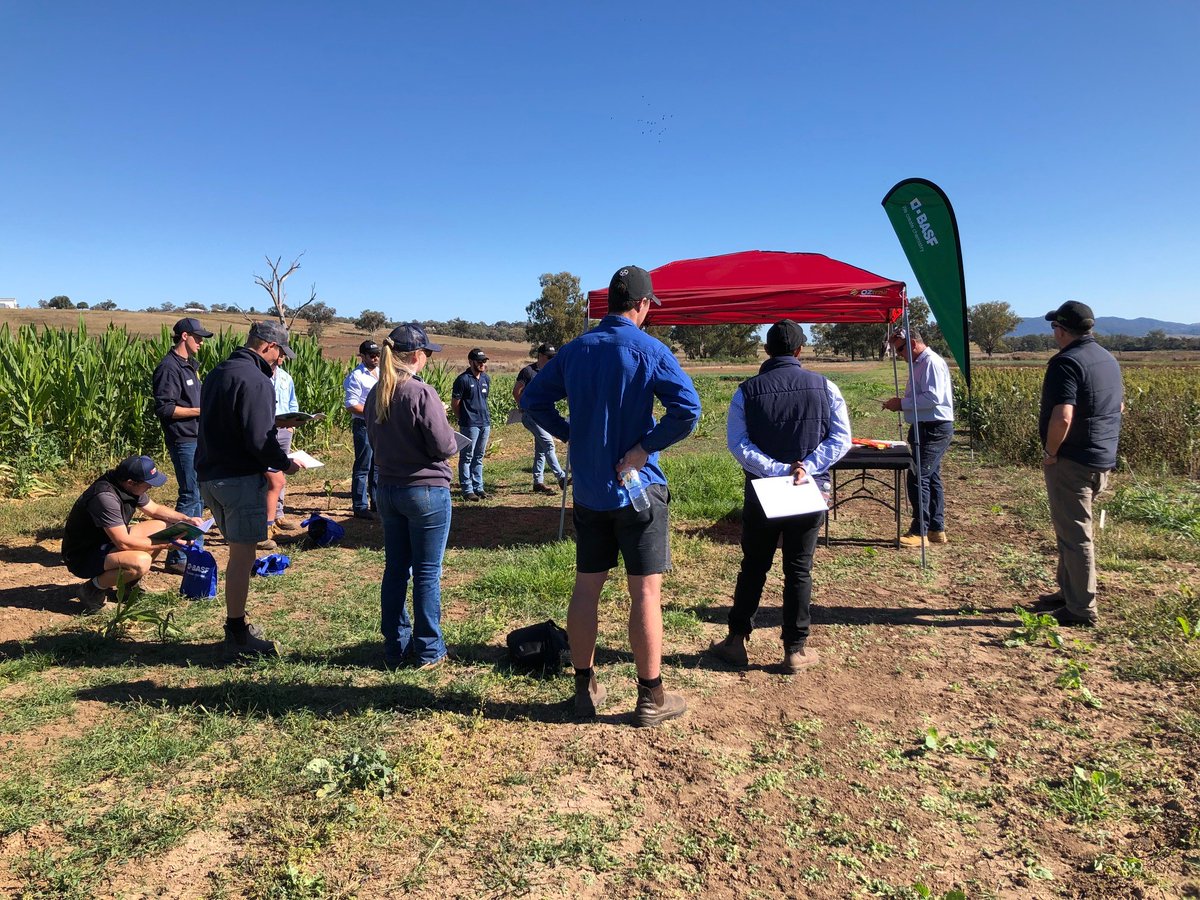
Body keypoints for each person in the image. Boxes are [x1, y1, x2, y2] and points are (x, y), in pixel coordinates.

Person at [521, 265, 701, 727]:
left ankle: (585, 689)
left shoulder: (574, 350)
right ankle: (650, 698)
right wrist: (644, 448)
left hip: (590, 494)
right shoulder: (650, 349)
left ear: (608, 303)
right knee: (645, 592)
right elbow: (688, 411)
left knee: (587, 588)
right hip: (638, 494)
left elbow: (533, 400)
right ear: (642, 305)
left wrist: (571, 435)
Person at [709, 320, 852, 673]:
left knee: (754, 565)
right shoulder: (826, 386)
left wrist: (775, 469)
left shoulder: (746, 391)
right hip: (809, 487)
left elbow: (738, 444)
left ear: (767, 350)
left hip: (762, 491)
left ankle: (736, 641)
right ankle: (794, 649)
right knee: (799, 568)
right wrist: (806, 468)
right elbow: (841, 439)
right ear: (800, 351)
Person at [197, 320, 303, 657]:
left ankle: (237, 626)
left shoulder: (217, 373)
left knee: (237, 552)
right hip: (239, 478)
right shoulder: (257, 380)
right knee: (242, 557)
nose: (280, 361)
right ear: (267, 346)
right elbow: (259, 439)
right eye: (279, 354)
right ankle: (237, 633)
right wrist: (285, 463)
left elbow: (230, 423)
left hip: (210, 476)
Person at [365, 323, 459, 668]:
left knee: (395, 569)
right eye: (427, 353)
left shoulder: (378, 393)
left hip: (388, 488)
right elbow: (445, 445)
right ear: (417, 356)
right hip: (426, 491)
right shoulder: (421, 393)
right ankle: (429, 648)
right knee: (427, 572)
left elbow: (374, 442)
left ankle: (395, 645)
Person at [1030, 301, 1124, 627]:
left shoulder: (1066, 363)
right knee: (1069, 529)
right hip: (1101, 459)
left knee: (1076, 536)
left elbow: (1063, 416)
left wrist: (1051, 452)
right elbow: (1119, 406)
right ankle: (1067, 592)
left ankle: (1081, 609)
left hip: (1072, 460)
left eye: (1054, 328)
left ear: (1061, 329)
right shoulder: (1106, 359)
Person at [61, 456, 205, 611]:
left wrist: (185, 519)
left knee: (163, 527)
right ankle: (91, 590)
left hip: (105, 542)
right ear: (131, 482)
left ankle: (129, 585)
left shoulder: (126, 485)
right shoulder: (105, 497)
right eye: (148, 484)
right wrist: (168, 544)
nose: (150, 487)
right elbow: (123, 543)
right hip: (83, 556)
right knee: (140, 562)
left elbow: (155, 509)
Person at [882, 328, 955, 547]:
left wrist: (901, 404)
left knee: (918, 475)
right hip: (924, 425)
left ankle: (920, 531)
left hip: (934, 427)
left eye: (901, 349)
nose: (900, 355)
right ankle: (936, 528)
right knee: (931, 477)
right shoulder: (919, 363)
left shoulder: (930, 362)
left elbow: (933, 397)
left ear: (913, 343)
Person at [152, 316, 214, 574]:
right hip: (183, 439)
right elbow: (165, 409)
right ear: (184, 336)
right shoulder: (169, 367)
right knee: (190, 494)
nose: (201, 341)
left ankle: (192, 549)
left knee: (198, 493)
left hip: (196, 438)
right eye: (197, 337)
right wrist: (201, 410)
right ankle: (178, 558)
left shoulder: (189, 366)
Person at [513, 343, 568, 494]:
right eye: (549, 357)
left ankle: (538, 482)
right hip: (531, 415)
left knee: (542, 449)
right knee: (549, 444)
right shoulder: (528, 371)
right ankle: (561, 477)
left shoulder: (550, 372)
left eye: (553, 357)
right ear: (540, 356)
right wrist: (522, 406)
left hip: (545, 416)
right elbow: (516, 390)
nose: (551, 360)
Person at [260, 356, 299, 550]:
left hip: (284, 430)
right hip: (266, 430)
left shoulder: (286, 377)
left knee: (279, 474)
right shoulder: (259, 377)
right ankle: (265, 525)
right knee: (272, 477)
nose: (283, 357)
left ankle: (278, 515)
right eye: (281, 353)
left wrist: (293, 425)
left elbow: (293, 403)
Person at [344, 339, 380, 519]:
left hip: (379, 424)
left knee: (377, 464)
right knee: (363, 465)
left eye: (377, 355)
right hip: (364, 424)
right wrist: (372, 412)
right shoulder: (356, 376)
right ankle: (359, 506)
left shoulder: (381, 373)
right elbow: (351, 404)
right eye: (372, 355)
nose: (375, 358)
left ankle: (376, 502)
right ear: (363, 356)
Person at [452, 348, 492, 501]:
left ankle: (479, 487)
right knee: (467, 457)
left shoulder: (486, 379)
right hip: (469, 424)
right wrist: (463, 419)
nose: (482, 364)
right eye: (479, 361)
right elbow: (456, 403)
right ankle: (467, 490)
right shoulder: (462, 380)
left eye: (484, 361)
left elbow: (484, 400)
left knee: (479, 456)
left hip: (485, 423)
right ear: (471, 362)